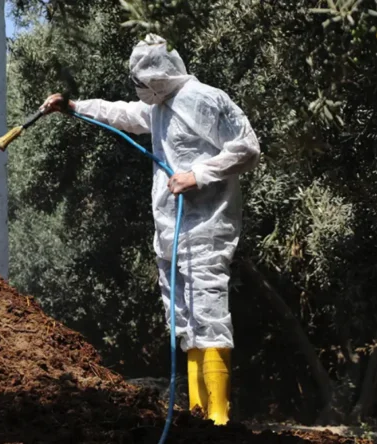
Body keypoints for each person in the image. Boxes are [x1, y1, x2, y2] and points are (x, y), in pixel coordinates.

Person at [41, 34, 260, 425]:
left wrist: (197, 175)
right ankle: (198, 419)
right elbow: (122, 113)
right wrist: (74, 107)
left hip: (205, 228)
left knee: (208, 315)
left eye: (142, 81)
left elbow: (247, 148)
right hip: (171, 230)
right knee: (187, 322)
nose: (138, 89)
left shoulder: (205, 99)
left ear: (158, 77)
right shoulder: (160, 107)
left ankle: (219, 419)